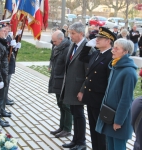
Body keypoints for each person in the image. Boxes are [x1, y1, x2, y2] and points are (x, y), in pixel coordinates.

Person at [95, 38, 138, 150]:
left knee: (118, 147)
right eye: (113, 47)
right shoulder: (116, 66)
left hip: (119, 119)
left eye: (116, 48)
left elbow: (126, 100)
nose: (112, 50)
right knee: (110, 146)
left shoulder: (129, 72)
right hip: (109, 116)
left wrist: (118, 121)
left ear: (125, 52)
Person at [79, 27, 117, 150]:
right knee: (94, 128)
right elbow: (82, 57)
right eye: (97, 38)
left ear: (108, 41)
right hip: (91, 98)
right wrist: (87, 46)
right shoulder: (96, 53)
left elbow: (110, 81)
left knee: (101, 131)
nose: (97, 40)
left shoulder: (110, 57)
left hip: (100, 99)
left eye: (100, 38)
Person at [60, 22, 89, 150]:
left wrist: (82, 90)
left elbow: (88, 73)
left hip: (78, 88)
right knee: (74, 112)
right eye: (70, 33)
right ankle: (75, 140)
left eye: (73, 33)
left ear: (81, 34)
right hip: (70, 86)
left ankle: (81, 142)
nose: (70, 35)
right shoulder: (73, 45)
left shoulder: (87, 48)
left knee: (79, 115)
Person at [48, 30, 72, 138]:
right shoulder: (58, 47)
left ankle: (67, 128)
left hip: (64, 82)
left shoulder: (67, 49)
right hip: (57, 80)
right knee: (60, 105)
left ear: (61, 40)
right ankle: (61, 127)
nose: (53, 43)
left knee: (66, 106)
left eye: (54, 41)